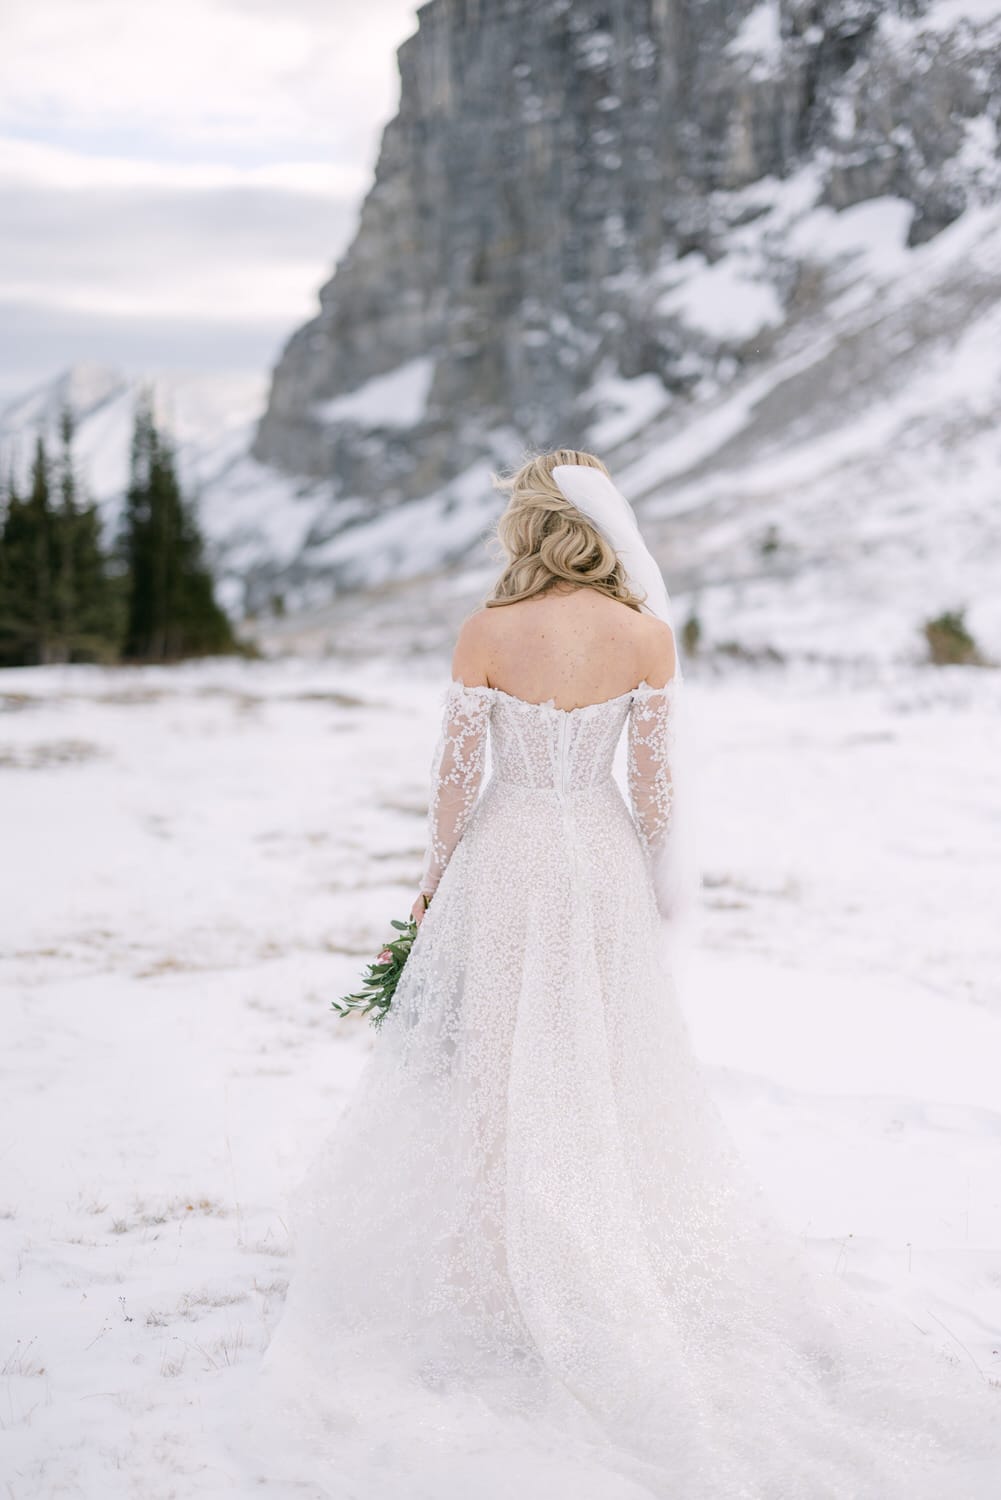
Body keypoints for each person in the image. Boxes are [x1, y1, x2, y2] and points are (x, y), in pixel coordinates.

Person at [244, 450, 999, 1499]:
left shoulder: (484, 634)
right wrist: (653, 884)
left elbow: (454, 782)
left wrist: (428, 892)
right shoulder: (643, 637)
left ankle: (493, 1269)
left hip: (505, 857)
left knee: (497, 1059)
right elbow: (653, 785)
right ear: (601, 526)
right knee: (590, 1059)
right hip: (593, 859)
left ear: (526, 526)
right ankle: (593, 1246)